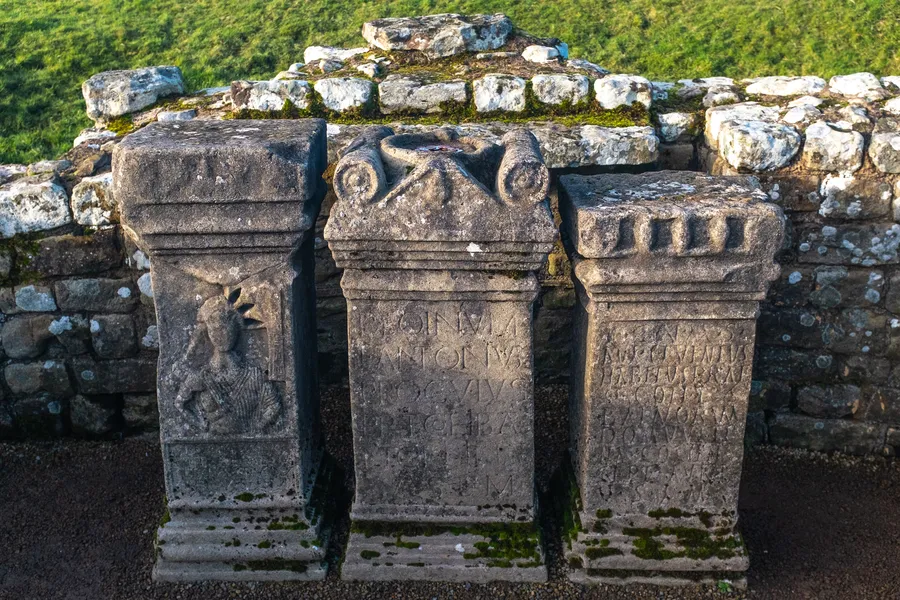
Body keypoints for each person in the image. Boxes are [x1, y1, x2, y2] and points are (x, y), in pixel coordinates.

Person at [175, 294, 280, 434]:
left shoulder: (253, 375)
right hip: (211, 445)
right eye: (215, 330)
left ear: (236, 329)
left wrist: (257, 427)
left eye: (225, 328)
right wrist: (201, 425)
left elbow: (274, 405)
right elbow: (179, 404)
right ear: (208, 332)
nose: (221, 335)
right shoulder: (201, 376)